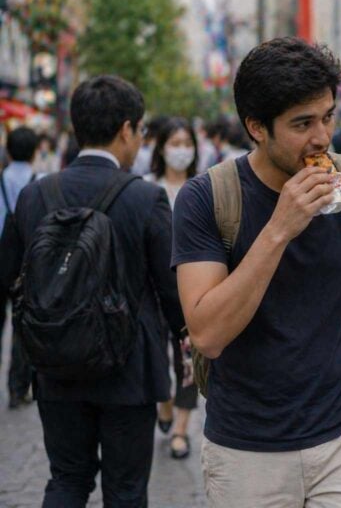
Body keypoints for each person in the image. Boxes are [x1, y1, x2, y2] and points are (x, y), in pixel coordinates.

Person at [172, 37, 341, 507]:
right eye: (302, 124)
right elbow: (207, 335)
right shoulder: (206, 199)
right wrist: (279, 229)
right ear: (257, 127)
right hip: (246, 448)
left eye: (327, 117)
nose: (322, 138)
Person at [0, 75, 186, 507]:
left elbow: (9, 272)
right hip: (128, 369)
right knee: (125, 490)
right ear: (126, 129)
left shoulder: (34, 196)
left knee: (66, 479)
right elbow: (171, 286)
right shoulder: (146, 198)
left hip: (55, 361)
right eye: (140, 131)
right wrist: (186, 338)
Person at [144, 117, 199, 459]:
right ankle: (163, 402)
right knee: (154, 355)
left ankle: (181, 428)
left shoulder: (203, 187)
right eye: (174, 143)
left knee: (189, 360)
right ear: (161, 147)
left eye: (186, 143)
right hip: (151, 288)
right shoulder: (147, 188)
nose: (181, 150)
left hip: (192, 289)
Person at [0, 126, 39, 409]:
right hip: (27, 261)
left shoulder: (1, 179)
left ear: (8, 150)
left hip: (1, 258)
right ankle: (18, 387)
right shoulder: (39, 182)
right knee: (22, 326)